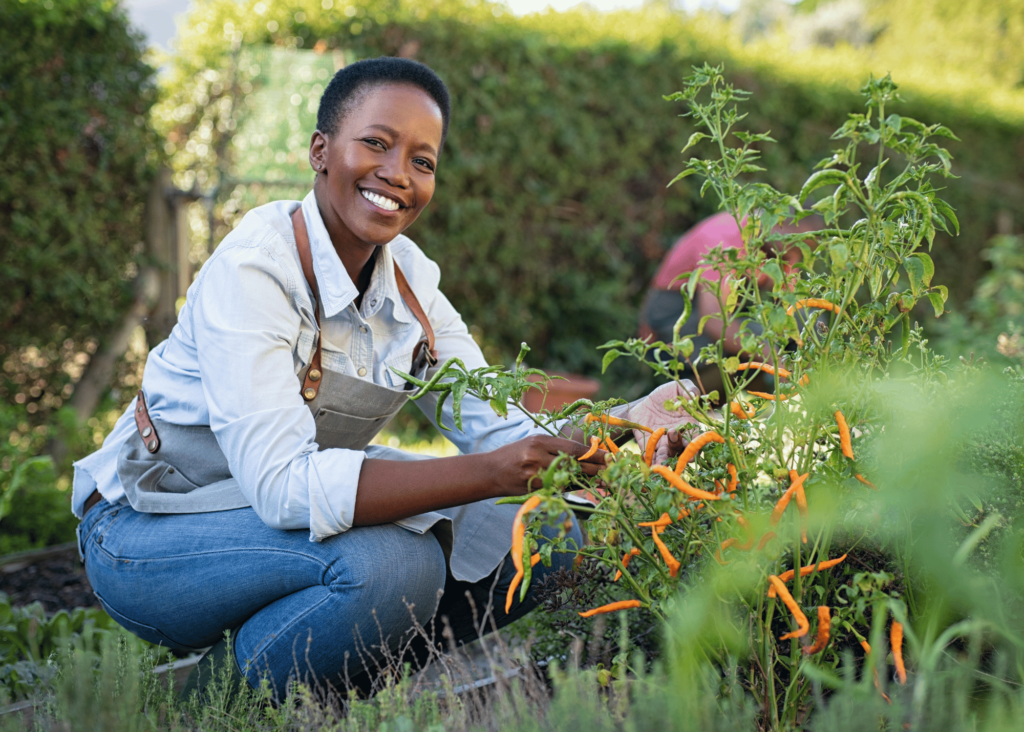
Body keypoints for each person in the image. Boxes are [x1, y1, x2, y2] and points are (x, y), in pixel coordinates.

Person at [72, 57, 693, 701]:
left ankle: (325, 693)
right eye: (375, 143)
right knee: (396, 566)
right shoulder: (255, 272)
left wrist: (623, 426)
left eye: (423, 162)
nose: (398, 174)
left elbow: (497, 422)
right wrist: (494, 473)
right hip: (148, 531)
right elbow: (285, 487)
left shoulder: (410, 283)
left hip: (269, 527)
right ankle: (206, 710)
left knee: (548, 532)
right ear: (320, 149)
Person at [638, 212, 810, 395]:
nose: (795, 257)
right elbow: (714, 320)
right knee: (754, 348)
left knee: (800, 325)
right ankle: (685, 404)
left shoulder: (781, 247)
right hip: (671, 321)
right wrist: (773, 358)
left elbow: (794, 303)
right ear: (779, 228)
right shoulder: (722, 240)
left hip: (718, 315)